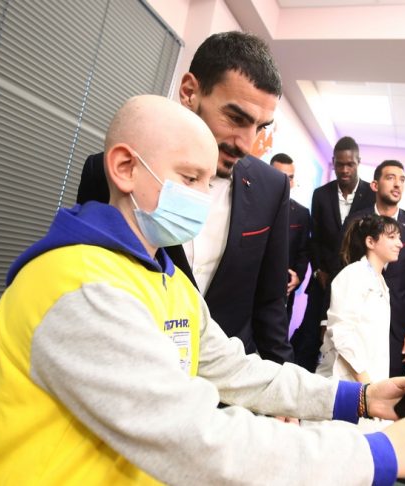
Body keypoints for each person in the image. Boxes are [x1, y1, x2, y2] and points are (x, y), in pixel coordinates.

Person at [0, 95, 405, 485]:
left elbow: (238, 370)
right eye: (189, 178)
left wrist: (359, 398)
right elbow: (195, 438)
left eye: (208, 183)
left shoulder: (164, 279)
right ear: (124, 167)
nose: (203, 199)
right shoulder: (79, 284)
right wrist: (377, 455)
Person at [76, 31, 293, 364]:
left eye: (261, 127)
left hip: (226, 376)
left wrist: (284, 385)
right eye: (236, 119)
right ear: (190, 91)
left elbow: (270, 305)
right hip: (131, 364)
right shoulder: (114, 170)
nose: (247, 144)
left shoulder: (272, 188)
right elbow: (85, 273)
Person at [291, 136, 375, 371]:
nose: (345, 170)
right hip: (323, 281)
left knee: (346, 344)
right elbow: (315, 238)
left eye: (350, 164)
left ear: (358, 162)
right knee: (310, 340)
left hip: (355, 285)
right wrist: (318, 271)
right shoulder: (321, 195)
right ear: (334, 163)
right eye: (340, 164)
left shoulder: (371, 195)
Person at [346, 160, 405, 378]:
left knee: (392, 386)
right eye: (390, 178)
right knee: (358, 386)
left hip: (398, 325)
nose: (397, 184)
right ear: (375, 185)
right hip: (358, 322)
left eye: (402, 179)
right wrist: (326, 322)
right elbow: (341, 267)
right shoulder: (356, 221)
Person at [317, 214, 402, 384]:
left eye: (399, 238)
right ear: (370, 242)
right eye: (392, 237)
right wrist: (366, 383)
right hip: (348, 383)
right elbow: (341, 334)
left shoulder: (380, 281)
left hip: (369, 382)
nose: (400, 244)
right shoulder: (353, 275)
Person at [270, 153, 311, 321]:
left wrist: (298, 277)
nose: (287, 182)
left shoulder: (302, 214)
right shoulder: (252, 206)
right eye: (281, 177)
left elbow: (304, 251)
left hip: (283, 292)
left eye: (291, 177)